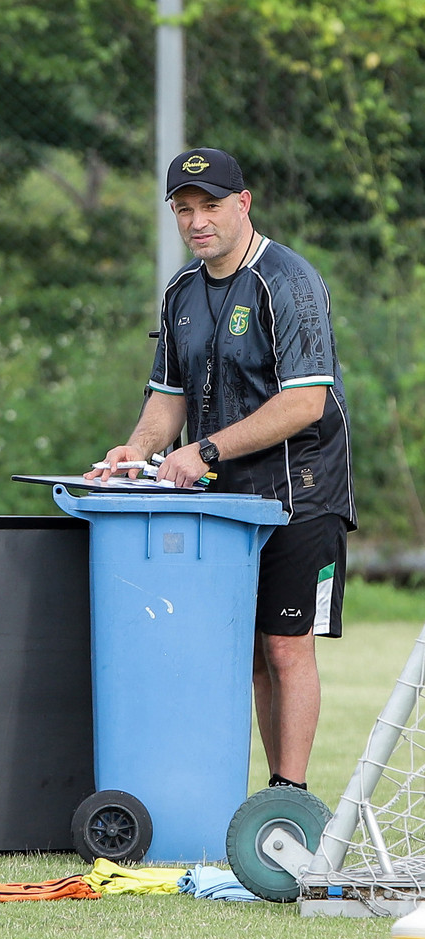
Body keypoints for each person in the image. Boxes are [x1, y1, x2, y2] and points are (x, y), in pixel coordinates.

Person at [85, 147, 357, 791]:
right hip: (224, 498)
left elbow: (305, 402)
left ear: (244, 203)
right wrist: (136, 451)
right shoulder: (181, 291)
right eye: (185, 209)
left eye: (211, 206)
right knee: (246, 655)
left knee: (287, 646)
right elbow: (168, 398)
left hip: (303, 488)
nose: (198, 221)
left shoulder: (289, 282)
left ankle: (287, 799)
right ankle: (238, 794)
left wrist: (203, 452)